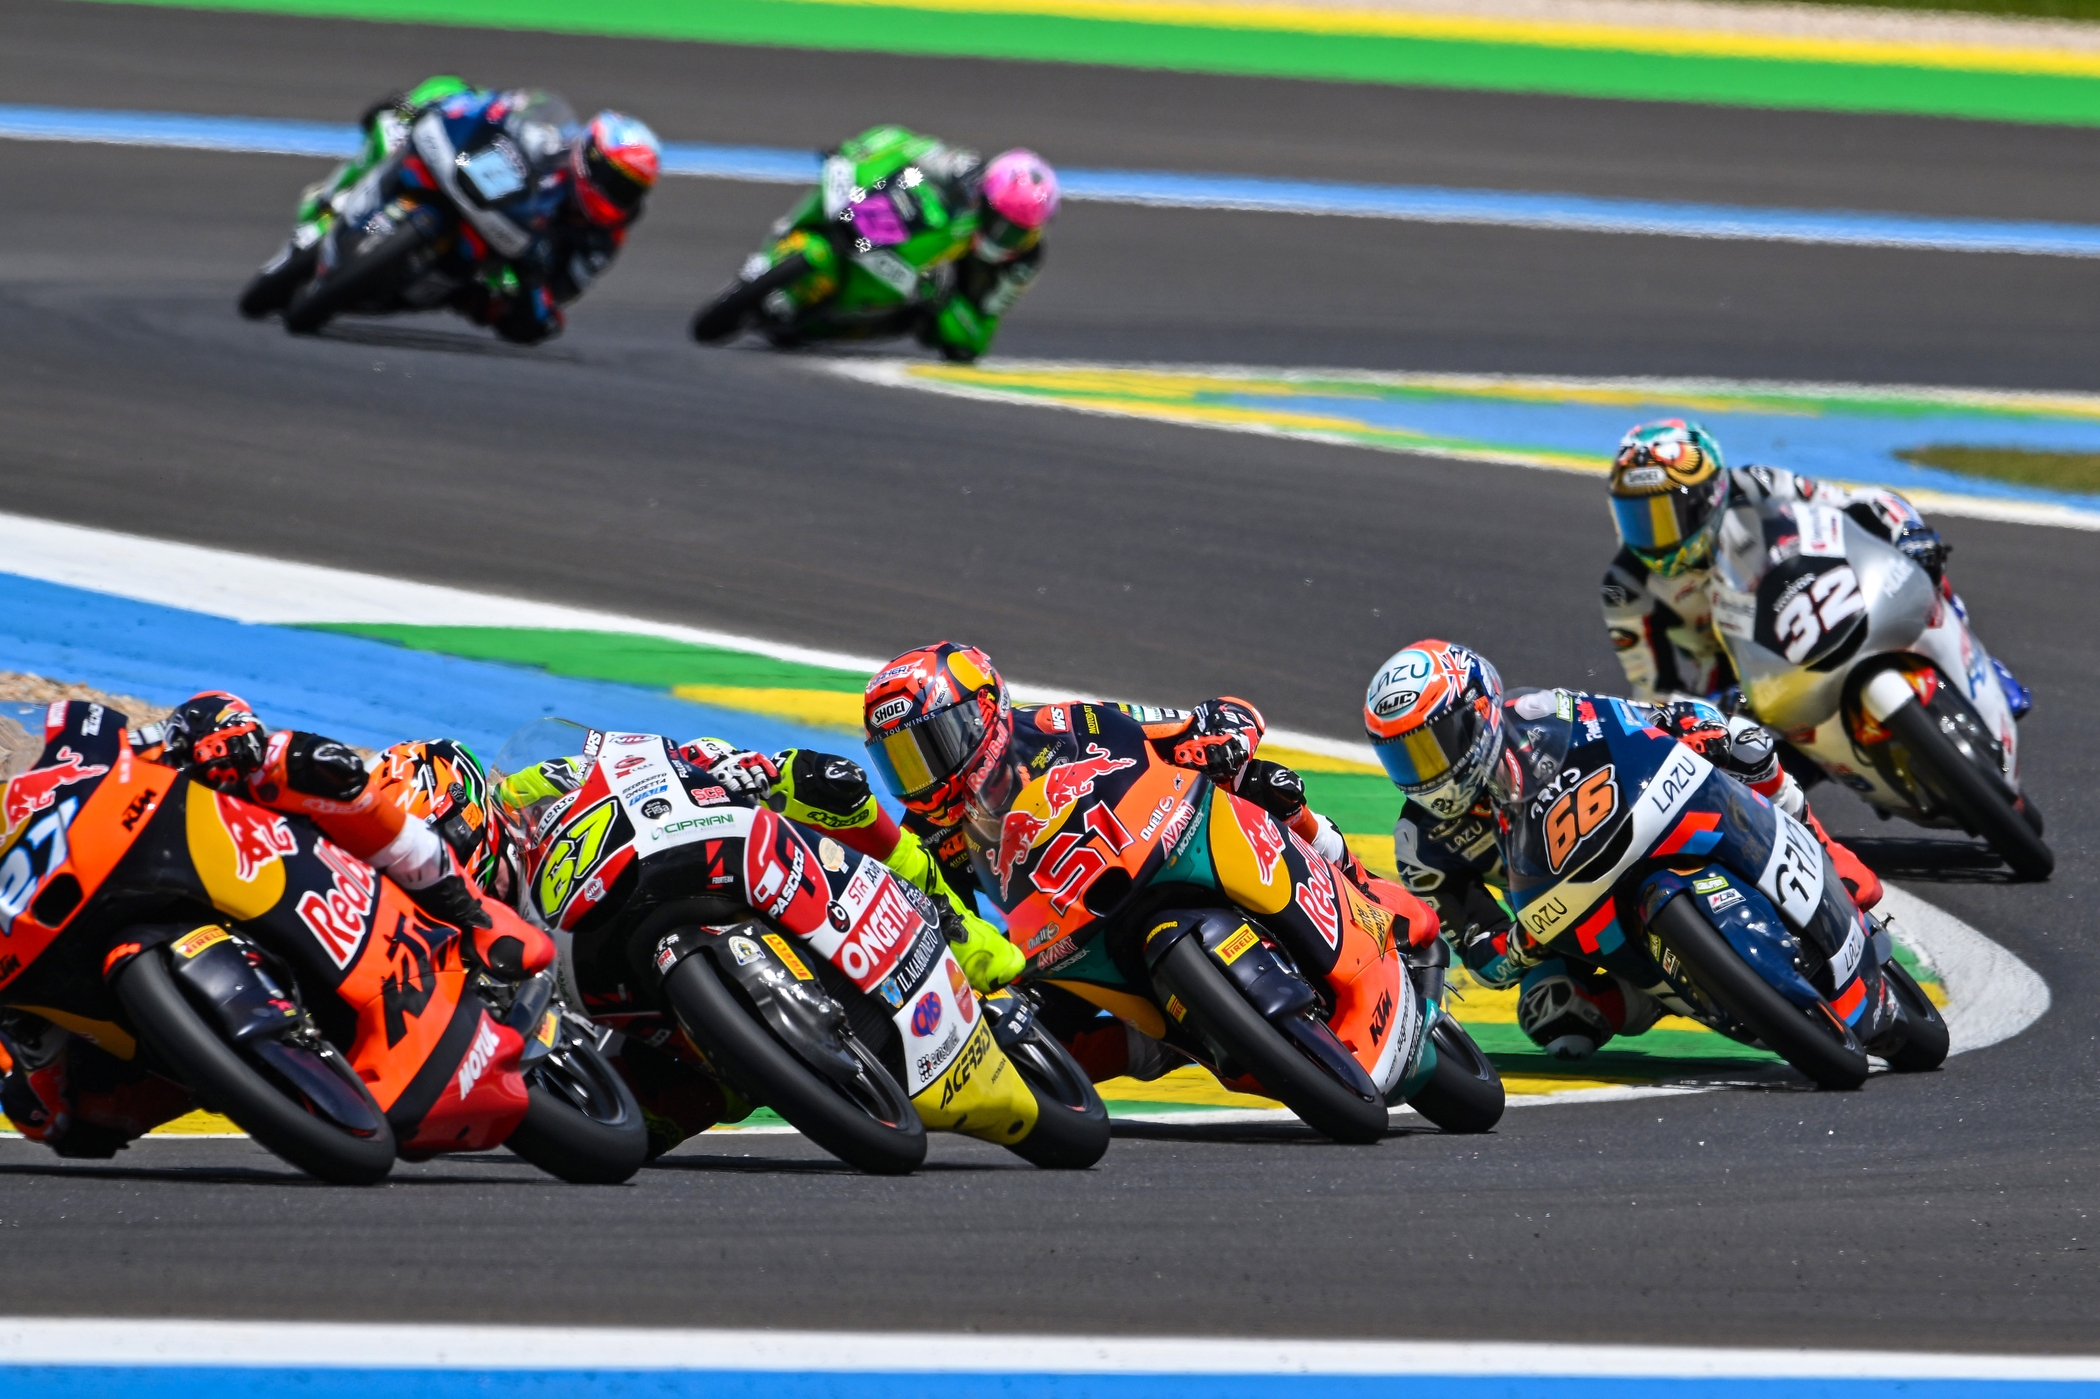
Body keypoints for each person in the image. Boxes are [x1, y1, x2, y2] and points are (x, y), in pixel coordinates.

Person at [759, 642, 1355, 1084]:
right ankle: (1159, 1041)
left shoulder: (1065, 723)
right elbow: (941, 920)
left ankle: (1350, 877)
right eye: (904, 762)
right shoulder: (931, 835)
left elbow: (1182, 728)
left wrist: (1219, 733)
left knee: (1265, 786)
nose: (925, 775)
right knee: (1023, 1041)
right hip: (1065, 944)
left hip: (1157, 849)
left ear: (983, 712)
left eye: (932, 747)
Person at [0, 694, 549, 1156]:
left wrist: (223, 730)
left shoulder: (79, 743)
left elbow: (199, 715)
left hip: (232, 859)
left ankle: (472, 915)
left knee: (310, 766)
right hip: (96, 946)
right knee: (64, 1123)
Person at [1364, 641, 1882, 1062]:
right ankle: (1674, 992)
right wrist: (1519, 944)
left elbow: (1640, 719)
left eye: (1434, 743)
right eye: (1404, 757)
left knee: (1745, 743)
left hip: (1642, 823)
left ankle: (1822, 848)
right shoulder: (1421, 845)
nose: (1425, 770)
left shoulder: (1540, 711)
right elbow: (1480, 954)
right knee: (1551, 1012)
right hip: (1576, 918)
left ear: (1480, 712)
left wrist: (1692, 729)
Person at [1601, 418, 2030, 717]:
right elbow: (1651, 692)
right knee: (1719, 753)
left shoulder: (1755, 484)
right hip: (1732, 674)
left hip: (1807, 591)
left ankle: (1981, 662)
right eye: (1638, 518)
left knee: (1916, 553)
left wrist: (1907, 531)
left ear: (1709, 495)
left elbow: (1854, 502)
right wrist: (1706, 708)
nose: (1654, 536)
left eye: (1668, 515)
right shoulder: (1625, 587)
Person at [255, 77, 660, 343]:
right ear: (589, 158)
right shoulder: (553, 143)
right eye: (617, 181)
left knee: (512, 311)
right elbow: (499, 111)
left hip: (499, 261)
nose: (621, 196)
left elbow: (558, 299)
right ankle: (334, 201)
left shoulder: (602, 239)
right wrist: (452, 109)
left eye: (632, 190)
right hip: (472, 179)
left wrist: (533, 289)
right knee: (416, 109)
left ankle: (399, 278)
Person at [695, 127, 1056, 361]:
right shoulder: (963, 171)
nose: (1004, 237)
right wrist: (857, 160)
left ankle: (850, 320)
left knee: (959, 340)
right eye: (1000, 223)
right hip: (893, 217)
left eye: (1016, 232)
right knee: (874, 161)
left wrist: (940, 298)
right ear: (986, 198)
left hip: (933, 286)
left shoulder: (1023, 260)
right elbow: (911, 148)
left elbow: (979, 332)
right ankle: (790, 234)